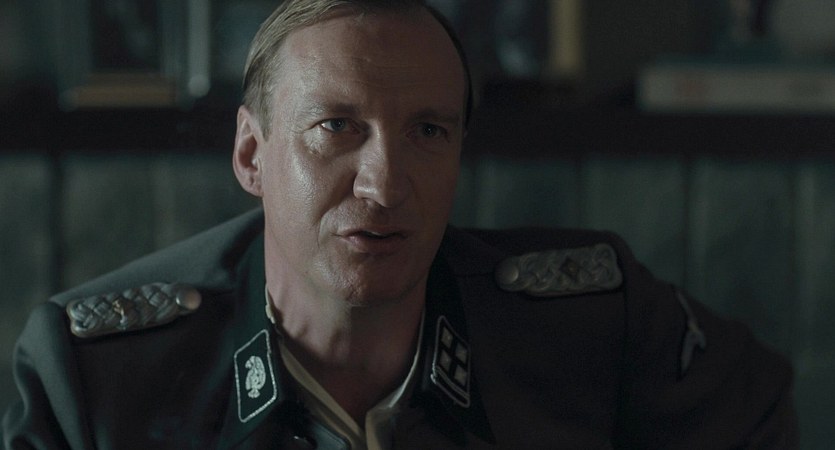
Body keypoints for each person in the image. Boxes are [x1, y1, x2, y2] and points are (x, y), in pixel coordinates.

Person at [2, 0, 798, 448]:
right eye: (335, 127)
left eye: (427, 131)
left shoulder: (595, 323)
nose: (384, 185)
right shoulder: (98, 378)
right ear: (251, 155)